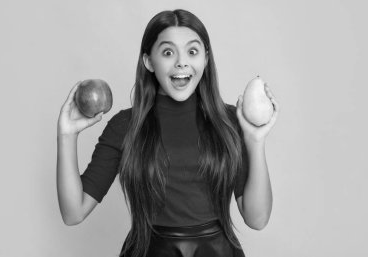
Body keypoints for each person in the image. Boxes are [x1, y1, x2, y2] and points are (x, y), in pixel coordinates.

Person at [57, 9, 279, 257]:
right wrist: (67, 135)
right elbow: (73, 212)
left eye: (192, 51)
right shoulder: (124, 126)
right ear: (149, 61)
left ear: (206, 58)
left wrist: (255, 141)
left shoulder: (229, 122)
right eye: (168, 52)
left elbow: (257, 219)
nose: (181, 62)